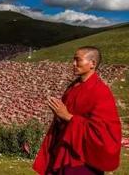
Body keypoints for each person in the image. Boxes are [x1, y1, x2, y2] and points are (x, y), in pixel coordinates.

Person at [33, 46, 122, 174]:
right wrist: (58, 115)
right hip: (64, 147)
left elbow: (103, 131)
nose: (73, 64)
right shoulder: (73, 87)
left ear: (92, 63)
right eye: (73, 60)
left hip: (82, 156)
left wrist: (68, 117)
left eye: (78, 60)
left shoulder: (100, 91)